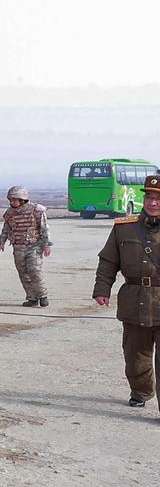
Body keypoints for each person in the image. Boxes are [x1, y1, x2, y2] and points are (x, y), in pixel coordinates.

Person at [93, 174, 160, 413]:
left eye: (158, 198)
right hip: (134, 299)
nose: (153, 203)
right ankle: (141, 391)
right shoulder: (125, 227)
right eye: (149, 197)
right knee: (135, 354)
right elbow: (108, 260)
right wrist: (102, 289)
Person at [0, 186, 51, 307]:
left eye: (14, 200)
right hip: (18, 247)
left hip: (34, 246)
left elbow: (44, 229)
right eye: (10, 200)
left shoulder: (36, 211)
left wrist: (46, 245)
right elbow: (6, 229)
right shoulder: (9, 213)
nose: (11, 202)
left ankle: (42, 295)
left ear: (22, 200)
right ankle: (32, 298)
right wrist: (2, 242)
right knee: (23, 273)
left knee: (35, 271)